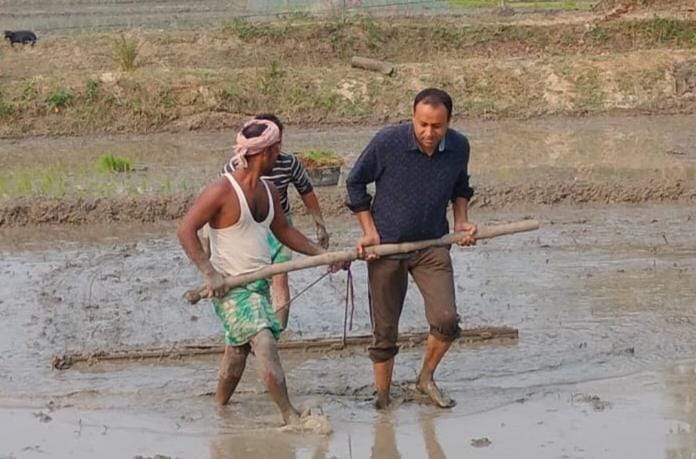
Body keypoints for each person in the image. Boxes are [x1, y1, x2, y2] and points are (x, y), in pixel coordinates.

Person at [178, 118, 342, 424]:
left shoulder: (268, 189)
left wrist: (321, 254)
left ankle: (219, 407)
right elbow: (186, 229)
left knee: (238, 350)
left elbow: (284, 232)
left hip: (257, 285)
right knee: (264, 341)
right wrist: (208, 271)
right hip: (230, 287)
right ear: (269, 151)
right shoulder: (222, 191)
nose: (280, 154)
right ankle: (289, 415)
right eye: (278, 149)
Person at [345, 87, 477, 410]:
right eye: (422, 125)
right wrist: (369, 232)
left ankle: (425, 378)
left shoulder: (459, 146)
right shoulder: (388, 142)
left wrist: (461, 222)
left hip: (431, 244)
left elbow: (461, 186)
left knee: (446, 319)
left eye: (436, 126)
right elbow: (355, 183)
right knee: (385, 331)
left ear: (448, 123)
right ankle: (383, 398)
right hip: (387, 248)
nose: (428, 133)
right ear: (413, 118)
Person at [222, 114, 329, 329]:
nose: (278, 148)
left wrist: (320, 225)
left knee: (280, 278)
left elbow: (306, 191)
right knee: (252, 281)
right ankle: (256, 328)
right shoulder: (233, 169)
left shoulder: (289, 163)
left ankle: (277, 330)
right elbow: (216, 212)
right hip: (248, 229)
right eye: (274, 145)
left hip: (279, 225)